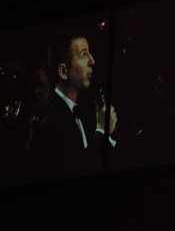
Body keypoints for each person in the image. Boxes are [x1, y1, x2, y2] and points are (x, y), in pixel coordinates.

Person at [30, 25, 117, 180]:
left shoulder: (81, 108)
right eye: (84, 55)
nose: (92, 60)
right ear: (63, 71)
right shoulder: (52, 123)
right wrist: (101, 130)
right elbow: (79, 172)